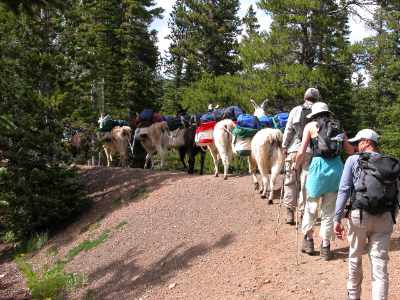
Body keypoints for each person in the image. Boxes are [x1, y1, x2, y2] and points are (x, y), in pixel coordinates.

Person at [334, 129, 400, 300]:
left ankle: (353, 296)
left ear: (366, 142)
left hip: (359, 216)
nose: (356, 146)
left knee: (355, 256)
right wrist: (393, 216)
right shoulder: (390, 164)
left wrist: (337, 218)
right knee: (380, 266)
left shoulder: (353, 160)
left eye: (357, 143)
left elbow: (344, 189)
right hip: (385, 218)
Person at [293, 102, 353, 260]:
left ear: (313, 115)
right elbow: (350, 150)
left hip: (318, 168)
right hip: (337, 169)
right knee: (329, 210)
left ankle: (309, 240)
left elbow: (301, 151)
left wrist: (295, 165)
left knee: (311, 205)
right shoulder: (338, 126)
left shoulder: (310, 126)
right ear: (328, 113)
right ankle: (326, 246)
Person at [282, 88, 318, 225]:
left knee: (290, 180)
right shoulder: (319, 111)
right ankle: (303, 213)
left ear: (305, 97)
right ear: (317, 98)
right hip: (311, 151)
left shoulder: (296, 110)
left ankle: (290, 212)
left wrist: (285, 146)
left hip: (294, 149)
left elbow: (289, 129)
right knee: (306, 182)